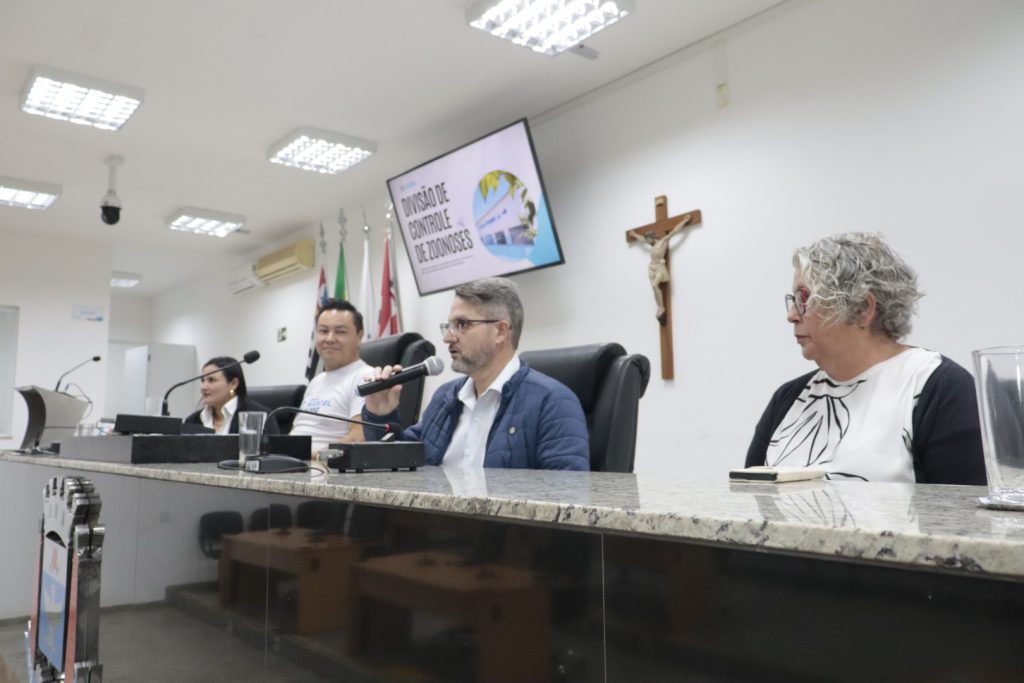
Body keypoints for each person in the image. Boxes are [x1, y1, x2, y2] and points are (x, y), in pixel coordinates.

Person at [745, 232, 985, 484]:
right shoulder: (789, 399)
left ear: (862, 309)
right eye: (792, 301)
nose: (792, 315)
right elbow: (750, 506)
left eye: (804, 298)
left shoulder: (939, 389)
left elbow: (963, 517)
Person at [361, 277, 589, 470]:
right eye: (448, 326)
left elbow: (564, 500)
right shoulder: (446, 397)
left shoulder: (554, 402)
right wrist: (380, 416)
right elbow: (402, 466)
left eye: (462, 324)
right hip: (430, 521)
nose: (448, 337)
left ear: (500, 331)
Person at [290, 299, 369, 454]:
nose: (330, 339)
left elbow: (359, 437)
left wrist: (307, 456)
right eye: (323, 331)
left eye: (340, 332)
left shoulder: (366, 376)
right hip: (295, 466)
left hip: (328, 471)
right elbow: (297, 431)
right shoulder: (316, 381)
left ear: (359, 336)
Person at [184, 356, 279, 435]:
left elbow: (276, 455)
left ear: (233, 383)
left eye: (211, 380)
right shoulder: (193, 420)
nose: (204, 387)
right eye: (202, 380)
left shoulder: (260, 417)